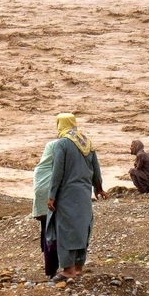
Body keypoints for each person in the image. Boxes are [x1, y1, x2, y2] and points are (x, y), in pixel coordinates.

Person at [46, 113, 104, 279]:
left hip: (67, 194)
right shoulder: (86, 142)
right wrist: (98, 188)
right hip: (84, 194)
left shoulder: (62, 144)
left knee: (65, 231)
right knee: (81, 229)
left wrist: (51, 196)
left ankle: (68, 269)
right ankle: (78, 267)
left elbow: (57, 172)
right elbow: (96, 168)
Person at [31, 138, 60, 279]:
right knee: (54, 233)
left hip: (43, 205)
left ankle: (50, 269)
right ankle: (54, 268)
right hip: (52, 203)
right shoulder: (56, 169)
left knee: (46, 231)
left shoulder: (41, 168)